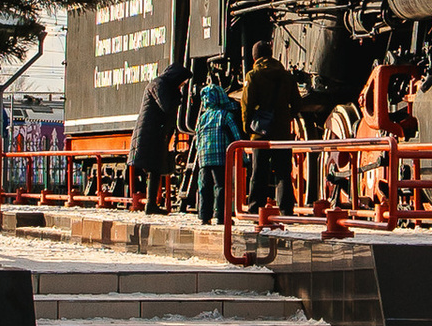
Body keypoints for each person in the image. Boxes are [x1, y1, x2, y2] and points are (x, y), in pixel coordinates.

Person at [241, 44, 302, 216]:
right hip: (282, 132)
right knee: (283, 173)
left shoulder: (253, 75)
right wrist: (286, 117)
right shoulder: (286, 76)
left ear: (255, 57)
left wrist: (248, 127)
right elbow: (297, 103)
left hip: (260, 133)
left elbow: (247, 105)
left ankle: (255, 210)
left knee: (258, 173)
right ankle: (286, 211)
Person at [127, 55, 188, 210]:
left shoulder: (163, 85)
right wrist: (179, 97)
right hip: (150, 133)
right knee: (153, 168)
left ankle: (151, 204)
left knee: (155, 169)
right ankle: (151, 204)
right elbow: (166, 106)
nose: (181, 86)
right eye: (181, 83)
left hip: (156, 133)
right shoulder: (158, 85)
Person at [191, 63, 243, 224]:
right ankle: (221, 216)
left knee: (204, 187)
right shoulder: (225, 115)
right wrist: (244, 157)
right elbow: (236, 136)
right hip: (221, 157)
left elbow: (197, 137)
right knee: (221, 186)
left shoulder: (202, 118)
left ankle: (204, 216)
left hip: (204, 158)